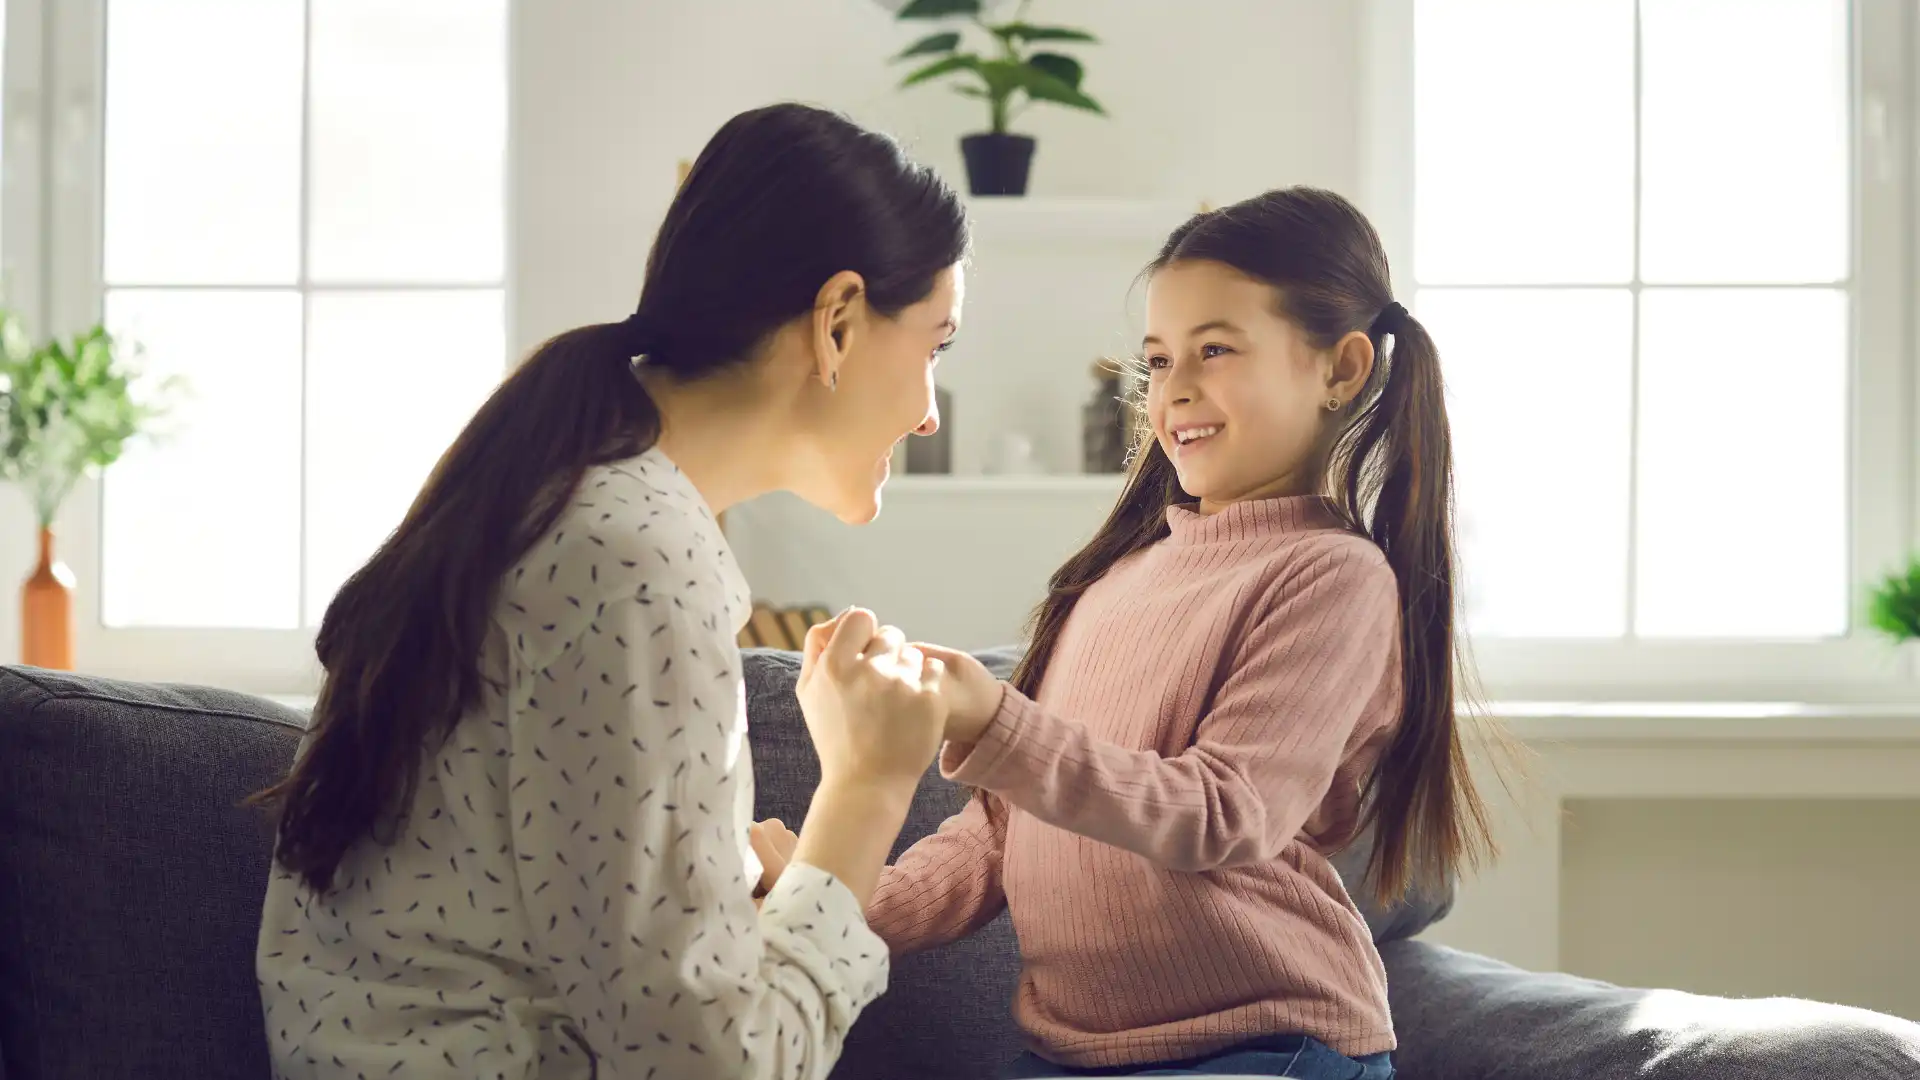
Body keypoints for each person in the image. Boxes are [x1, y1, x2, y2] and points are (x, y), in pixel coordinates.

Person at [251, 102, 968, 1080]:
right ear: (838, 320)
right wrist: (869, 791)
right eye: (935, 346)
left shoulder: (568, 503)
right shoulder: (639, 559)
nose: (930, 412)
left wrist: (742, 888)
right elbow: (708, 1066)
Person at [853, 187, 1496, 1079]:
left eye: (1216, 350)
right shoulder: (1115, 578)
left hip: (1262, 1047)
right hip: (1068, 1056)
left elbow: (1223, 814)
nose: (1176, 389)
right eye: (1157, 360)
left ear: (1342, 369)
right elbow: (1001, 833)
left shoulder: (1332, 577)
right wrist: (830, 905)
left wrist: (996, 722)